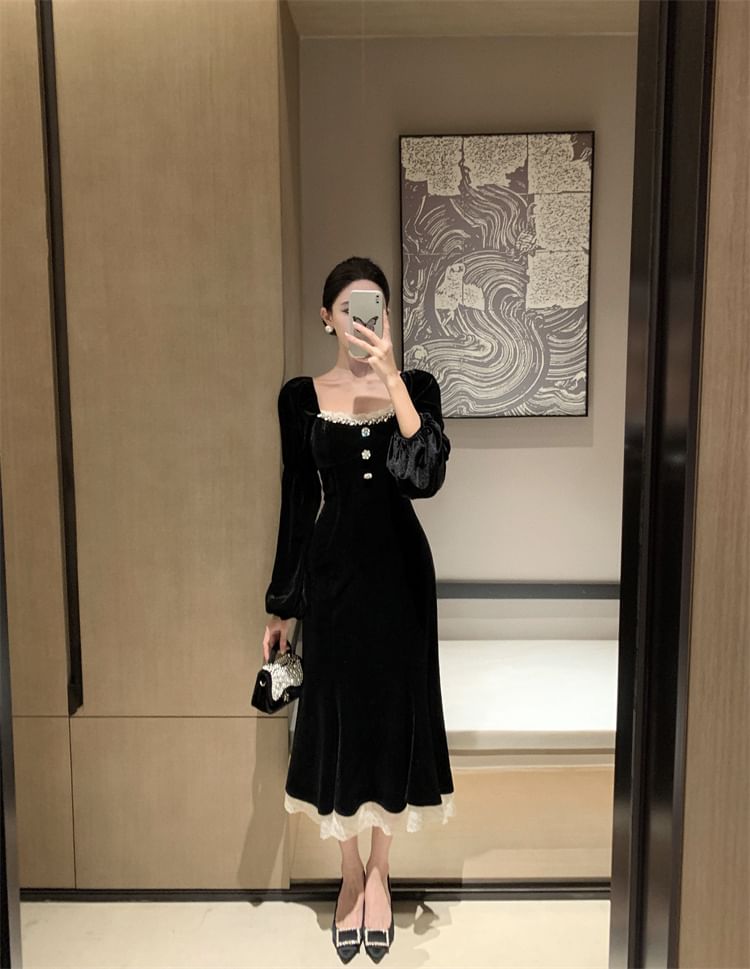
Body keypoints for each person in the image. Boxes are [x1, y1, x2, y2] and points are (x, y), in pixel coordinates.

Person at [263, 256, 455, 962]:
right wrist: (281, 606)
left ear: (387, 315)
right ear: (326, 318)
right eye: (348, 308)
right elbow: (295, 503)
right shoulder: (300, 398)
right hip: (332, 580)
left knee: (395, 715)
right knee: (337, 718)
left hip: (402, 579)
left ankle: (381, 871)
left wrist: (391, 376)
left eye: (373, 307)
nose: (360, 320)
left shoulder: (418, 387)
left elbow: (424, 475)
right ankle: (348, 872)